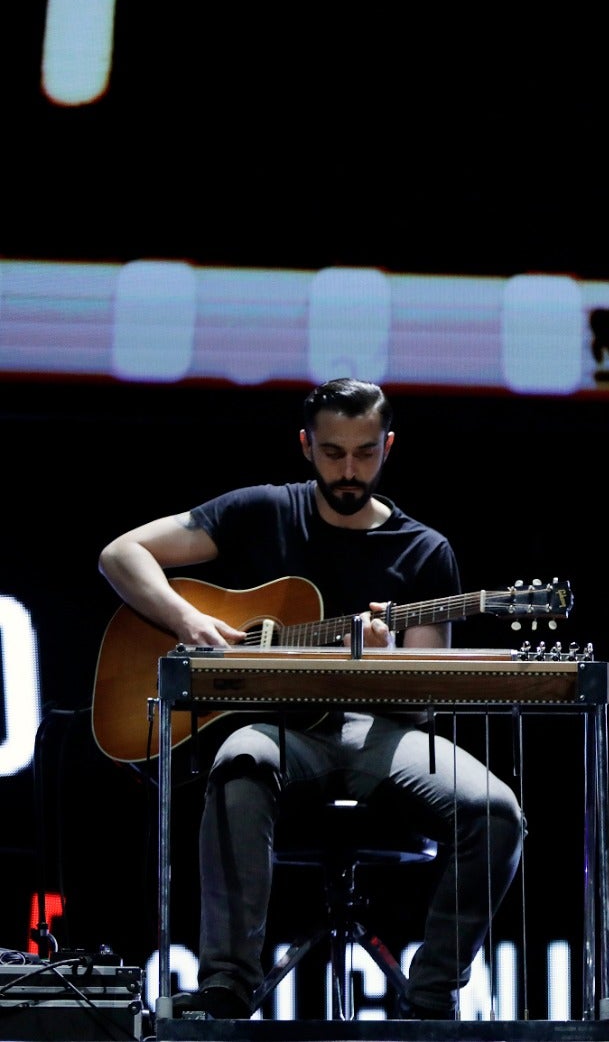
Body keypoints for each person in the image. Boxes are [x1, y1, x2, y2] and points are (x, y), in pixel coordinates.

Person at [98, 377, 527, 1020]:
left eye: (364, 453)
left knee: (499, 812)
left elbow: (425, 701)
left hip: (380, 732)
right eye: (333, 453)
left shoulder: (425, 552)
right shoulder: (261, 511)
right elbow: (120, 554)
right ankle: (227, 985)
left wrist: (385, 664)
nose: (349, 470)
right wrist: (188, 621)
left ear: (388, 445)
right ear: (305, 445)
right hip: (278, 729)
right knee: (239, 759)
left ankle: (432, 993)